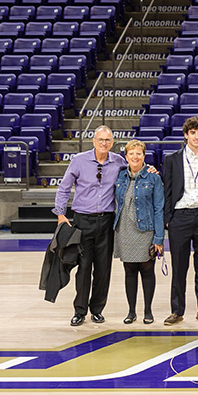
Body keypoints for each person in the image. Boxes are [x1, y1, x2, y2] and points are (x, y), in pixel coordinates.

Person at [53, 125, 124, 326]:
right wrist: (60, 213)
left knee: (103, 268)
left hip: (106, 221)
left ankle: (98, 309)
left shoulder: (119, 162)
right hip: (82, 220)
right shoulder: (79, 161)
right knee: (83, 268)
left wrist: (149, 168)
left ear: (112, 142)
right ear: (93, 141)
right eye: (101, 140)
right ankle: (80, 310)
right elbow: (64, 187)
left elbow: (135, 172)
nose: (104, 143)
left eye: (108, 140)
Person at [162, 116, 198, 326]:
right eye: (192, 132)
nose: (196, 136)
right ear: (186, 135)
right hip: (180, 217)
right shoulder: (172, 159)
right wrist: (168, 218)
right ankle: (177, 310)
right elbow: (167, 190)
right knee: (179, 267)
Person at [113, 140, 165, 324]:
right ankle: (131, 311)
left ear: (144, 156)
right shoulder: (119, 176)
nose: (135, 157)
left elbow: (159, 209)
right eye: (131, 153)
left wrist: (159, 238)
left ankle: (148, 311)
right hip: (124, 230)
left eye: (139, 153)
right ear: (126, 156)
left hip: (146, 230)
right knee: (129, 271)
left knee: (147, 270)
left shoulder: (154, 178)